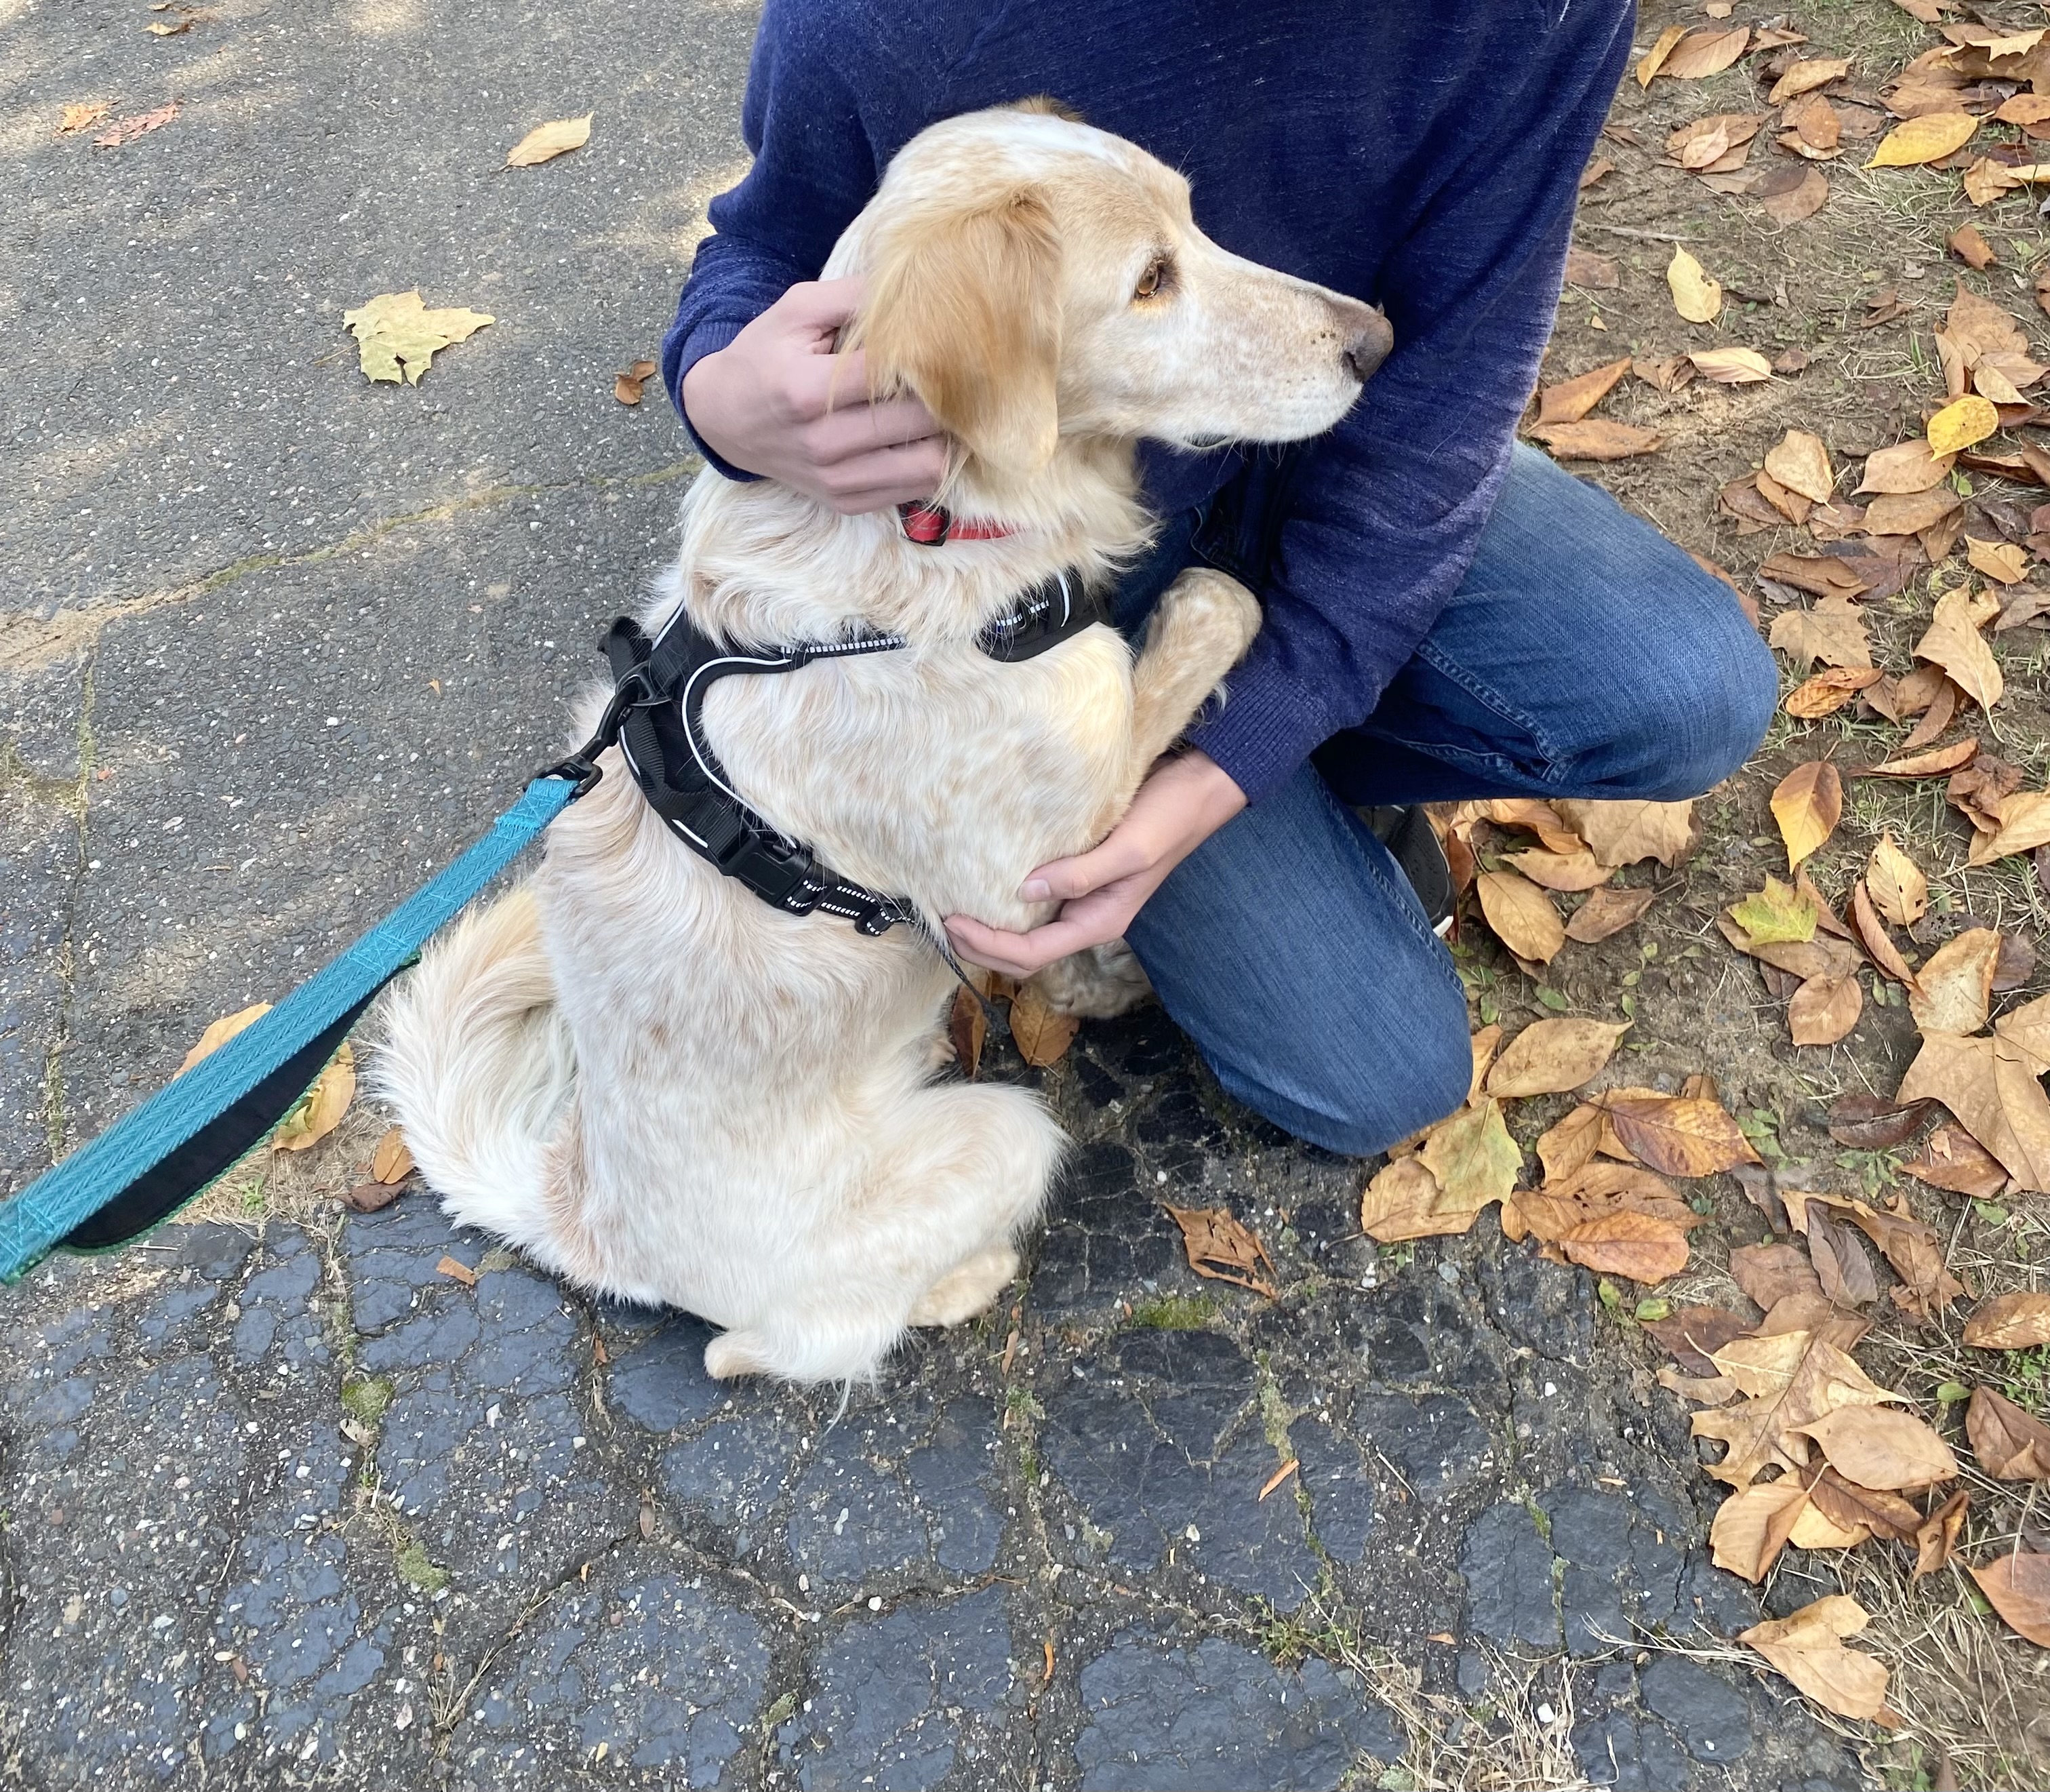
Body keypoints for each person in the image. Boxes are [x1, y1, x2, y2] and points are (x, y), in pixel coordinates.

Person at [662, 0, 1777, 1157]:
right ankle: (1293, 797)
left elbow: (1443, 400)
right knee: (1383, 1077)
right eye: (1155, 279)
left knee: (1687, 686)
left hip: (1319, 468)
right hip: (1023, 564)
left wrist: (1239, 758)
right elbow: (772, 243)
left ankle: (1306, 761)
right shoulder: (900, 21)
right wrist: (718, 393)